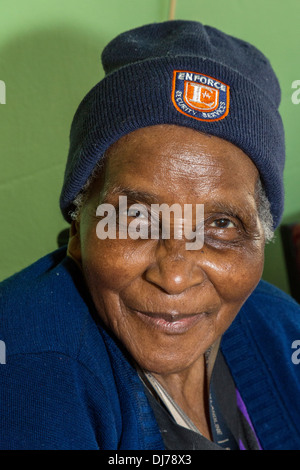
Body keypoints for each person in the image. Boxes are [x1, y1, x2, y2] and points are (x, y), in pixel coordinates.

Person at [0, 20, 299, 451]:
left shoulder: (283, 328)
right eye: (137, 218)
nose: (174, 276)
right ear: (77, 231)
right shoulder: (24, 367)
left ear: (261, 239)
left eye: (221, 224)